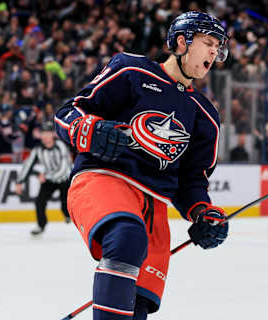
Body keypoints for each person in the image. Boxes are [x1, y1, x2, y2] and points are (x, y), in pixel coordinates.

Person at [54, 11, 230, 320]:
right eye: (208, 42)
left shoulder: (205, 116)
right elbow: (69, 112)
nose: (214, 52)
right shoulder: (132, 71)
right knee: (126, 236)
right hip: (104, 179)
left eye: (218, 46)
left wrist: (203, 212)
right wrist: (86, 129)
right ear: (181, 42)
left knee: (137, 306)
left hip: (154, 208)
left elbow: (192, 181)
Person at [15, 121, 72, 236]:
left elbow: (64, 167)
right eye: (43, 133)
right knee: (40, 202)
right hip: (49, 180)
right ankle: (41, 225)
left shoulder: (61, 146)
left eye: (48, 133)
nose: (45, 136)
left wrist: (45, 175)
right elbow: (28, 165)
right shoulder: (38, 149)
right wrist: (20, 182)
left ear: (52, 134)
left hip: (65, 179)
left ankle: (67, 215)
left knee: (65, 205)